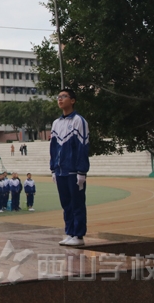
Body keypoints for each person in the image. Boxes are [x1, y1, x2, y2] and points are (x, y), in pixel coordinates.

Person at [51, 89, 89, 246]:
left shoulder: (79, 121)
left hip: (74, 170)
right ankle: (70, 232)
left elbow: (83, 146)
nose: (60, 99)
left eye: (64, 96)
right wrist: (53, 169)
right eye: (58, 97)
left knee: (77, 203)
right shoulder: (56, 123)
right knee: (66, 203)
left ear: (72, 100)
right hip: (60, 170)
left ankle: (78, 235)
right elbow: (53, 148)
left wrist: (82, 171)